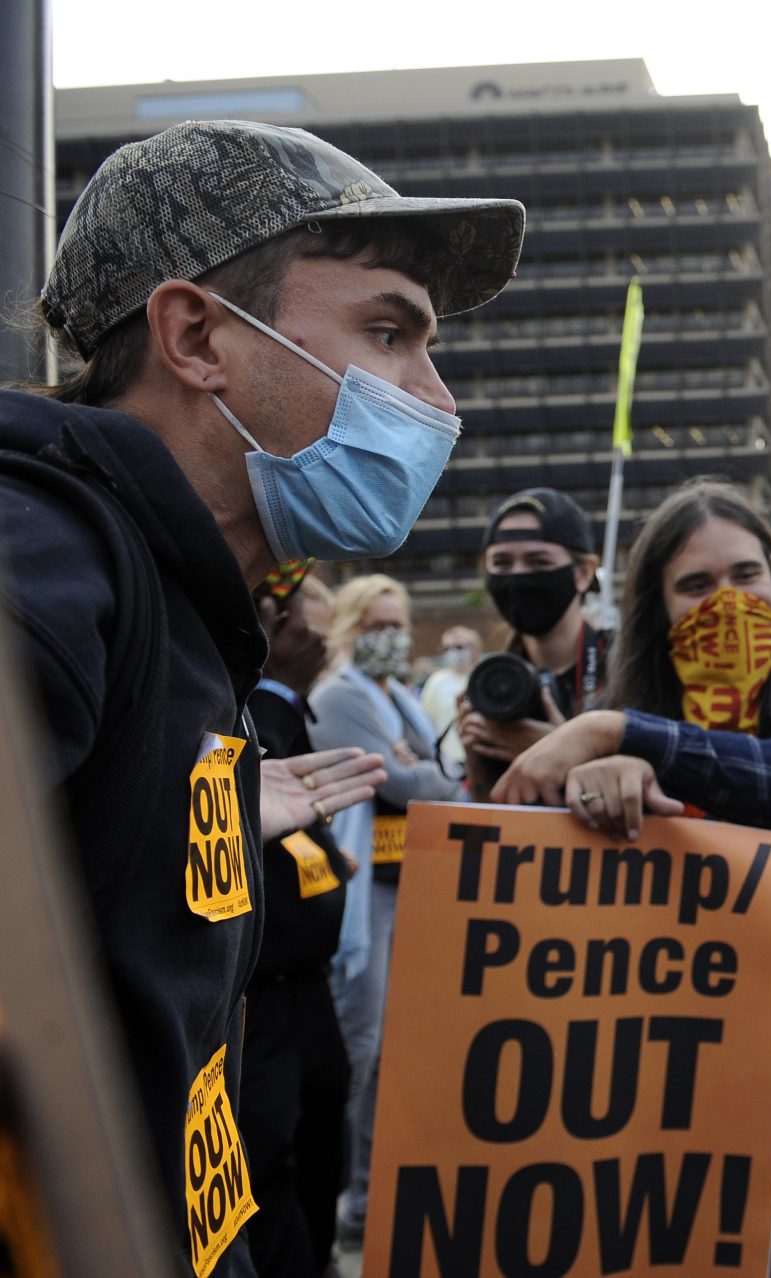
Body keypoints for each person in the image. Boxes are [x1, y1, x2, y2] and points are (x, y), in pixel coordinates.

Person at [0, 117, 518, 1275]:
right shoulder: (43, 557)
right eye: (388, 331)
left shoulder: (184, 600)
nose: (434, 396)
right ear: (195, 337)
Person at [493, 478, 771, 1276]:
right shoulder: (638, 712)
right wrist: (598, 786)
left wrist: (616, 732)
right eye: (695, 585)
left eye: (744, 574)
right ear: (658, 608)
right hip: (689, 1098)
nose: (726, 600)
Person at [307, 574, 464, 1250]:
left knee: (394, 1050)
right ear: (346, 629)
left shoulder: (397, 695)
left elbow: (439, 775)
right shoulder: (343, 695)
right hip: (360, 889)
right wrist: (424, 773)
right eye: (373, 626)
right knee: (360, 1047)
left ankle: (366, 1203)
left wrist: (426, 772)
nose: (388, 637)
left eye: (395, 624)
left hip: (407, 882)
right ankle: (329, 1192)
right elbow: (401, 782)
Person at [241, 569, 355, 1278]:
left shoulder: (283, 713)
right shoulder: (225, 701)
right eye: (270, 612)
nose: (311, 634)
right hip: (257, 999)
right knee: (267, 1166)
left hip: (309, 992)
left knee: (322, 1152)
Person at [459, 487, 609, 798]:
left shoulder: (627, 666)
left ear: (583, 573)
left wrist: (560, 751)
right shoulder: (494, 683)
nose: (518, 577)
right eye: (501, 563)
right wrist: (477, 759)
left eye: (538, 562)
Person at [419, 623, 478, 770]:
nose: (453, 652)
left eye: (459, 647)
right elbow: (426, 719)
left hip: (479, 757)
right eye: (447, 648)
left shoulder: (481, 677)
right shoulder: (437, 681)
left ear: (473, 648)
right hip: (448, 760)